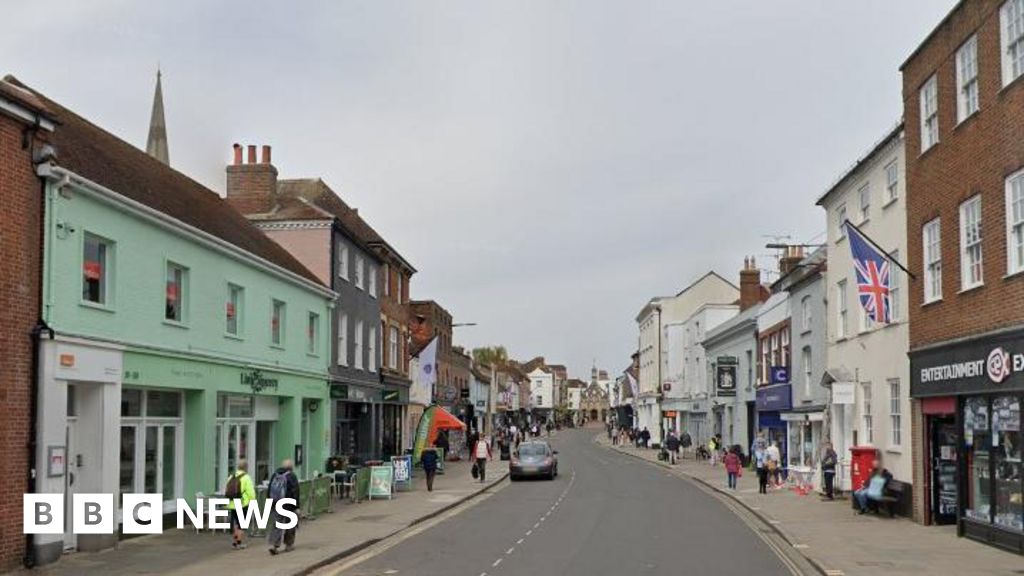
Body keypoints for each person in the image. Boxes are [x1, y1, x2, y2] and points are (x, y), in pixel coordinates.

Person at [267, 459, 299, 555]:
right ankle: (289, 544)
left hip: (276, 503)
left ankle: (274, 545)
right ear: (291, 467)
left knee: (277, 524)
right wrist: (297, 506)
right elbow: (295, 492)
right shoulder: (292, 476)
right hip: (289, 504)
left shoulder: (275, 475)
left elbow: (269, 489)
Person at [225, 459, 256, 550]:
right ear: (246, 467)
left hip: (232, 503)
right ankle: (238, 543)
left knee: (236, 523)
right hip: (243, 504)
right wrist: (253, 500)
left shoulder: (231, 476)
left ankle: (235, 542)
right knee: (242, 524)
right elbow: (251, 492)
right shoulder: (246, 478)